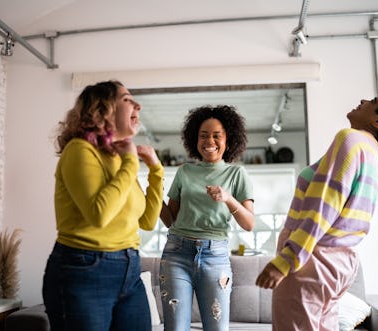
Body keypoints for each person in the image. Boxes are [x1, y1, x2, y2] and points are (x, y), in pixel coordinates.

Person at [256, 89, 378, 331]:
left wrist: (286, 259)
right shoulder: (372, 152)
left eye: (373, 102)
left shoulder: (350, 139)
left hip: (311, 260)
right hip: (340, 263)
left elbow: (324, 205)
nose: (363, 100)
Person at [42, 80, 164, 331]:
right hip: (83, 269)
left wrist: (155, 169)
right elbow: (99, 214)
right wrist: (131, 162)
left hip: (130, 270)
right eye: (128, 99)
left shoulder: (119, 159)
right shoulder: (79, 150)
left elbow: (148, 221)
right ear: (103, 108)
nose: (138, 105)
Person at [159, 105, 255, 331]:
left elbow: (249, 223)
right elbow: (170, 219)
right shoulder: (184, 172)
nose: (209, 141)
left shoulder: (236, 174)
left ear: (228, 140)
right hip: (177, 254)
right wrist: (153, 196)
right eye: (203, 135)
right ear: (195, 139)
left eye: (216, 135)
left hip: (216, 256)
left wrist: (228, 199)